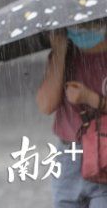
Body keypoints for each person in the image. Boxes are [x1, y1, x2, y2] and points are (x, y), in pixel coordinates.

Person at [36, 21, 107, 207]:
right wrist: (59, 52)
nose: (82, 30)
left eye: (88, 25)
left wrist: (91, 98)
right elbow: (45, 105)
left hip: (104, 153)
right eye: (76, 26)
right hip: (68, 156)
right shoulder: (65, 55)